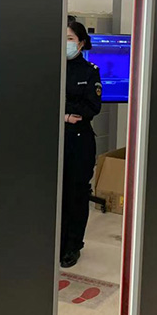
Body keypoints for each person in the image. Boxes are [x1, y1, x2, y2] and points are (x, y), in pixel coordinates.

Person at [61, 20, 102, 268]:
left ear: (81, 43)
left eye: (70, 39)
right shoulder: (51, 68)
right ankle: (56, 242)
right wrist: (65, 115)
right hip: (55, 138)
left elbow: (91, 107)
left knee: (76, 195)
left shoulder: (89, 71)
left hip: (79, 142)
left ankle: (72, 246)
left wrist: (65, 111)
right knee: (56, 194)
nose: (65, 43)